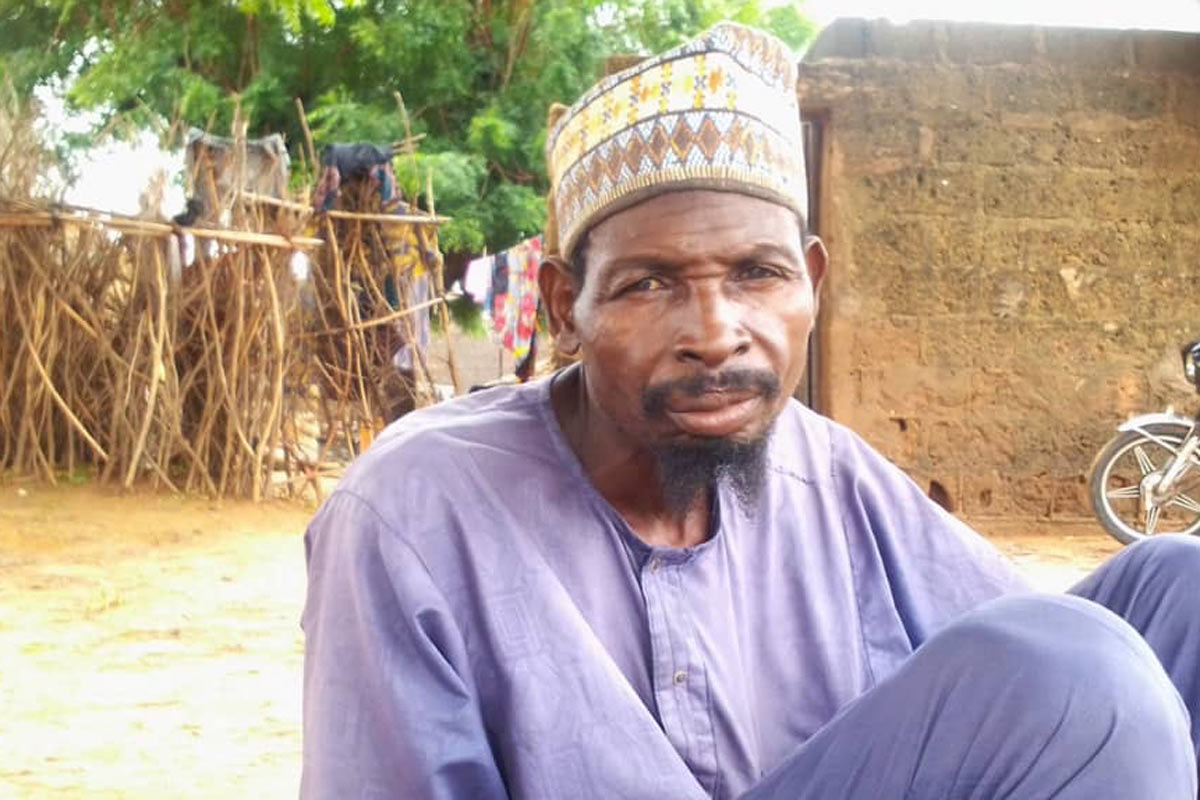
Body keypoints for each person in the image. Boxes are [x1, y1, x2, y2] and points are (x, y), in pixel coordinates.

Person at [301, 23, 1200, 799]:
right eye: (649, 283)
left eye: (757, 275)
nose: (716, 334)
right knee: (1080, 681)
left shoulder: (822, 466)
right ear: (565, 307)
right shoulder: (415, 513)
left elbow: (1014, 658)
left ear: (809, 282)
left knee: (1176, 589)